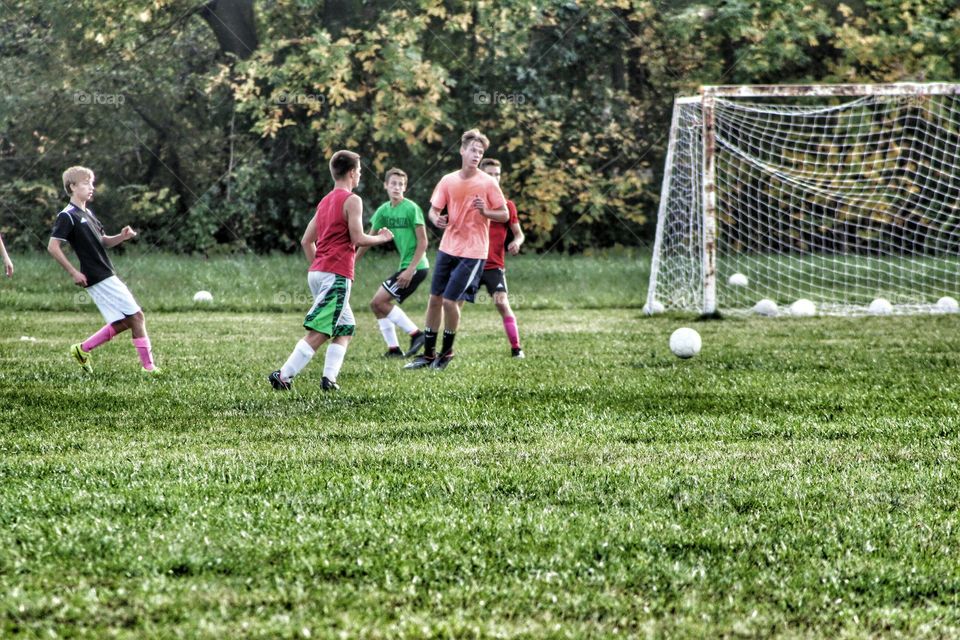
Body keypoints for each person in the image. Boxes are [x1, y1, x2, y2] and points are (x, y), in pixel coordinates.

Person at [268, 150, 393, 392]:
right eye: (359, 171)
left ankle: (329, 379)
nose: (359, 176)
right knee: (322, 330)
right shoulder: (352, 200)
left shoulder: (325, 201)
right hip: (335, 274)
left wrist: (321, 267)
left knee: (345, 327)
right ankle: (283, 375)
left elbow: (306, 240)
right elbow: (357, 238)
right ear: (352, 172)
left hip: (318, 272)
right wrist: (382, 238)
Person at [405, 129, 508, 371]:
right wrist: (435, 219)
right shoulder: (448, 180)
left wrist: (486, 212)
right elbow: (433, 210)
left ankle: (447, 352)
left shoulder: (488, 182)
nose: (476, 155)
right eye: (473, 150)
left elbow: (504, 214)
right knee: (434, 300)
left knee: (450, 302)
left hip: (473, 252)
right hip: (448, 247)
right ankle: (428, 355)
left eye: (480, 152)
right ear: (462, 150)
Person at [47, 166, 159, 374]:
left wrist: (122, 237)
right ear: (72, 187)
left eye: (92, 183)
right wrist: (74, 272)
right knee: (137, 317)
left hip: (105, 272)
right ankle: (149, 367)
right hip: (97, 275)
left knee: (127, 321)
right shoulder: (67, 216)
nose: (92, 187)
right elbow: (52, 247)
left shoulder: (87, 212)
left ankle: (83, 349)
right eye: (86, 183)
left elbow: (103, 241)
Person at [356, 168, 428, 358]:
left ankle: (417, 334)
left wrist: (410, 269)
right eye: (393, 183)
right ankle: (394, 349)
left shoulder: (412, 208)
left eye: (401, 184)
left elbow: (423, 242)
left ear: (405, 187)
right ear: (386, 185)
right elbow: (367, 240)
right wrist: (352, 262)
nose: (397, 187)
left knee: (378, 301)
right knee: (376, 305)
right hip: (405, 267)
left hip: (417, 267)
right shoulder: (383, 211)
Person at [478, 158, 525, 358]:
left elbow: (519, 234)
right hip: (469, 262)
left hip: (493, 266)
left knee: (502, 303)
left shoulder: (507, 206)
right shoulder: (472, 201)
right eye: (490, 174)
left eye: (497, 174)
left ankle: (516, 348)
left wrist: (517, 242)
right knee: (452, 303)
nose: (494, 178)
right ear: (481, 175)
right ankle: (445, 350)